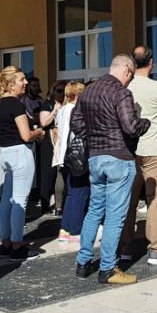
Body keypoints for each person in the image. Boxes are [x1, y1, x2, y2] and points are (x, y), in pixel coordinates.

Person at [71, 54, 150, 285]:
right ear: (126, 70)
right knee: (115, 215)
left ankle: (83, 263)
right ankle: (108, 268)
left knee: (94, 210)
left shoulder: (88, 91)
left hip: (96, 158)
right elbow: (131, 126)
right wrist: (146, 122)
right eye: (131, 76)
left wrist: (95, 137)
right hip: (119, 158)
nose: (130, 81)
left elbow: (76, 123)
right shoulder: (121, 92)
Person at [0, 66, 46, 261]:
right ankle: (17, 245)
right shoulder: (16, 105)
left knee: (6, 201)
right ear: (11, 84)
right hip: (20, 153)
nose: (25, 83)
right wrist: (39, 132)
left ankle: (6, 244)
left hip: (5, 153)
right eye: (21, 80)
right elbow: (26, 135)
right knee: (20, 201)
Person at [121, 46, 157, 265]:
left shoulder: (125, 86)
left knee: (127, 201)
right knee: (156, 200)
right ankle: (156, 248)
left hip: (129, 151)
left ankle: (124, 247)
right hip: (154, 150)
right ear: (151, 62)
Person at [53, 82, 88, 243]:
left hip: (64, 156)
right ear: (78, 94)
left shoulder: (62, 110)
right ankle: (75, 230)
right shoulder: (75, 109)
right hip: (76, 156)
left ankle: (65, 229)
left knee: (71, 193)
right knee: (80, 192)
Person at [37, 81, 64, 215]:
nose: (61, 93)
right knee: (48, 173)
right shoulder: (47, 104)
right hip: (48, 143)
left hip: (61, 142)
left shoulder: (66, 104)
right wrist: (54, 111)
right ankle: (45, 204)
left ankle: (58, 203)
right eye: (58, 90)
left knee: (60, 173)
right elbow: (43, 122)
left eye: (63, 91)